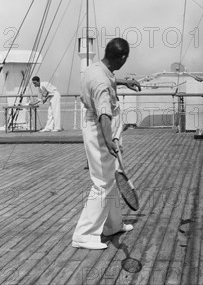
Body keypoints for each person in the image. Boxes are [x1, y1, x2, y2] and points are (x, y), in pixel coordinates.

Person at [71, 38, 141, 250]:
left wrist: (123, 82)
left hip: (94, 123)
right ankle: (84, 234)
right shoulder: (102, 84)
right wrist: (110, 140)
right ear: (121, 57)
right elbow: (104, 114)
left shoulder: (94, 68)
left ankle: (112, 225)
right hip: (99, 129)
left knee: (109, 178)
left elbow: (107, 80)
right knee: (102, 182)